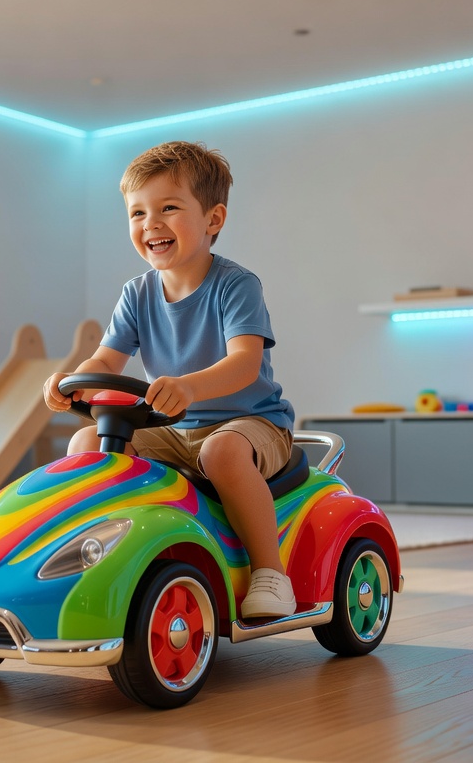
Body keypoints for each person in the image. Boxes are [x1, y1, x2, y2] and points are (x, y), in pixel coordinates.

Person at [43, 141, 297, 619]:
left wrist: (189, 387)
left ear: (213, 219)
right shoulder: (136, 293)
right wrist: (72, 381)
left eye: (168, 209)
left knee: (221, 452)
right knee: (86, 442)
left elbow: (245, 363)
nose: (150, 224)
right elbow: (107, 358)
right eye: (138, 213)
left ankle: (270, 571)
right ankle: (98, 556)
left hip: (250, 424)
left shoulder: (236, 285)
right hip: (172, 427)